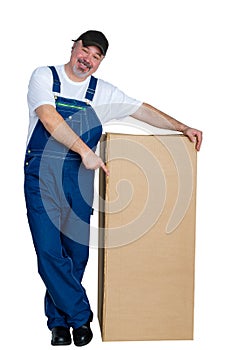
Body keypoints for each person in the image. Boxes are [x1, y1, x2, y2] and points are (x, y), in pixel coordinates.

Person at [24, 30, 202, 347]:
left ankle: (60, 325)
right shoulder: (44, 77)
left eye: (96, 56)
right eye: (85, 51)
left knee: (75, 254)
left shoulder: (101, 91)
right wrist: (85, 151)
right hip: (42, 176)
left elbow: (141, 110)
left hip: (78, 178)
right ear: (73, 47)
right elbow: (49, 118)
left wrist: (182, 126)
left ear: (100, 61)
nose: (88, 60)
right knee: (49, 252)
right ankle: (80, 317)